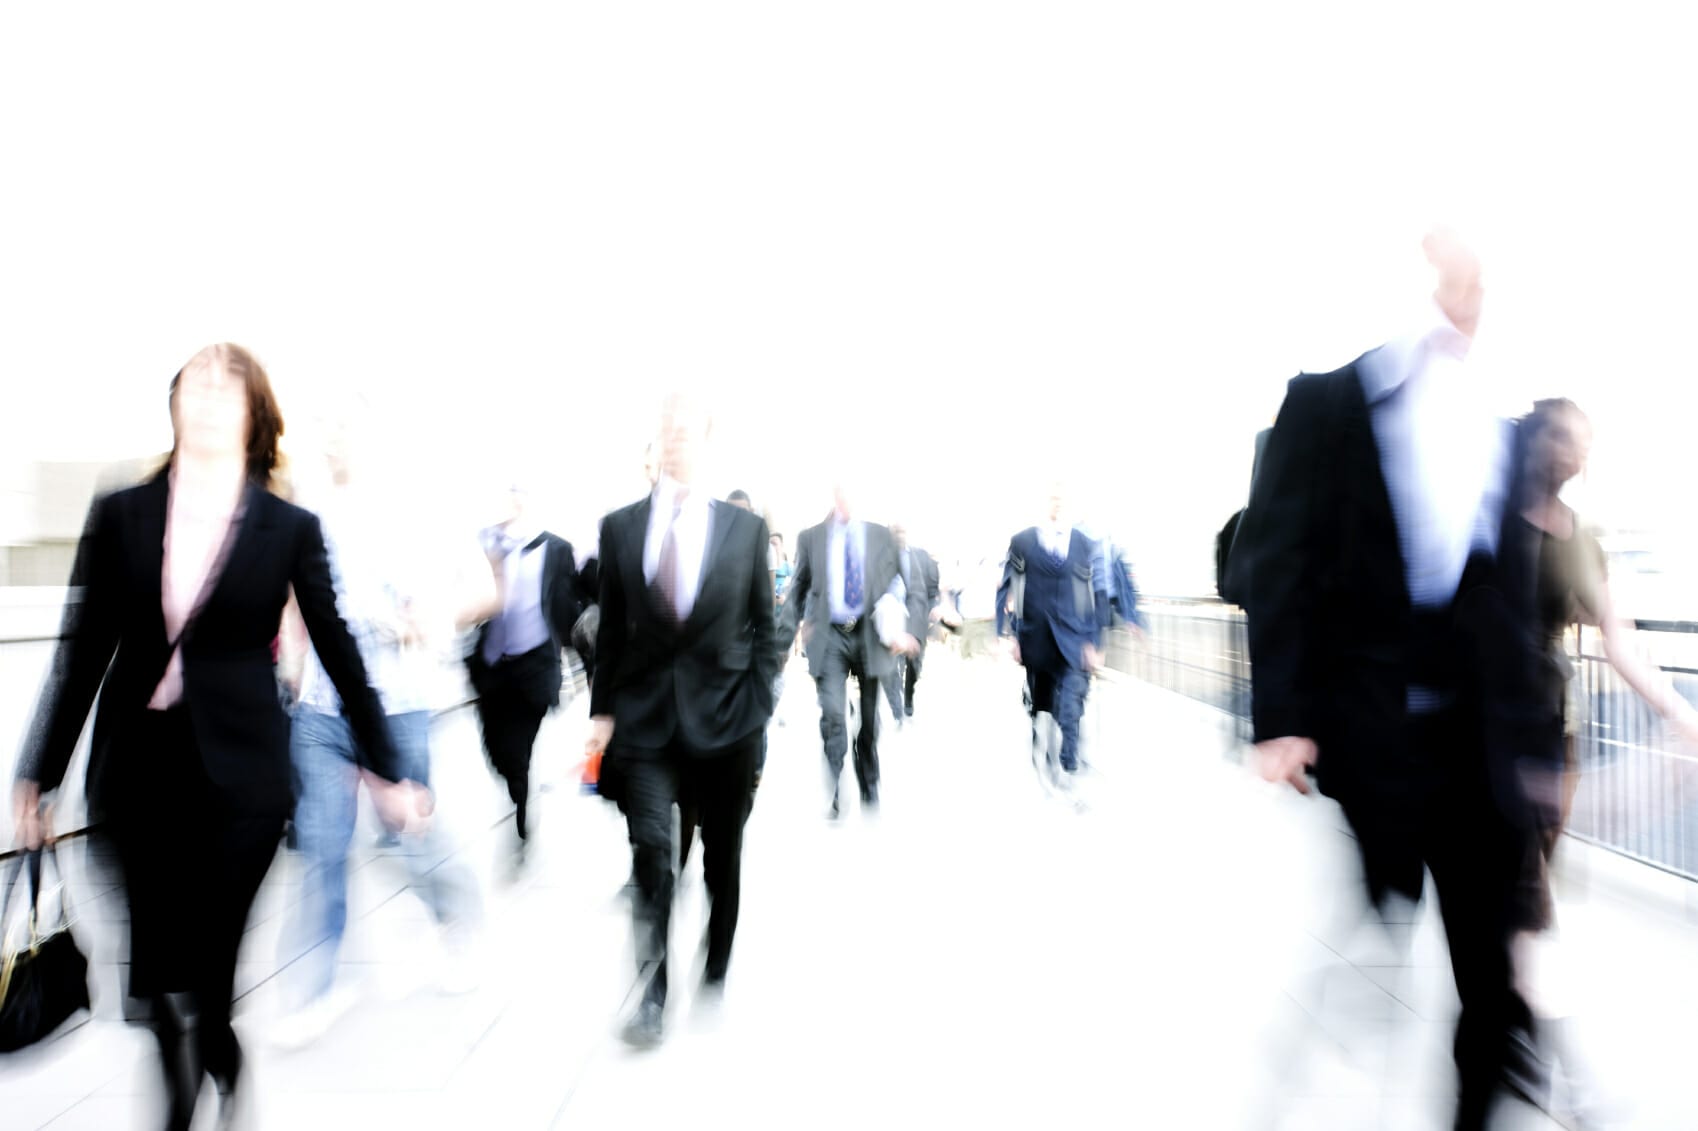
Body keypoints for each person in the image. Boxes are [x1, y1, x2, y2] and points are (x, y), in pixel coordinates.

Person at [12, 344, 422, 1131]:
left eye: (222, 387)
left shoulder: (287, 526)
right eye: (191, 384)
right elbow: (82, 645)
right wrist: (39, 773)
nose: (202, 397)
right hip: (136, 774)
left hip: (243, 782)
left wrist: (388, 768)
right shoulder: (122, 510)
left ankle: (187, 1091)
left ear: (254, 414)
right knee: (163, 972)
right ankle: (214, 1055)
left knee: (209, 965)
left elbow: (338, 646)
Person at [1234, 229, 1546, 1130]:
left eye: (1483, 275)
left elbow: (1510, 598)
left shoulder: (1499, 422)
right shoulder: (1329, 403)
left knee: (1490, 976)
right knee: (1378, 924)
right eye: (1457, 271)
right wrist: (1283, 715)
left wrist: (1533, 747)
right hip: (1374, 734)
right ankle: (1318, 1038)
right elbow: (1275, 560)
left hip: (1480, 746)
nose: (1472, 293)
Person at [271, 398, 493, 1047]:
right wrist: (291, 655)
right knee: (322, 842)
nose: (331, 436)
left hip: (399, 702)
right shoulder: (309, 512)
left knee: (409, 832)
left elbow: (482, 589)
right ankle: (317, 985)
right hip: (322, 707)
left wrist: (439, 614)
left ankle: (457, 918)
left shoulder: (421, 508)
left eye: (343, 423)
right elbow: (293, 593)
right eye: (325, 423)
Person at [1499, 397, 1698, 1116]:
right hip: (1489, 737)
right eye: (1558, 435)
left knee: (1523, 904)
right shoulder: (1488, 522)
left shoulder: (1584, 539)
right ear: (1531, 440)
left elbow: (1619, 635)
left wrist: (1679, 713)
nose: (1569, 451)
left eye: (1581, 442)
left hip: (1556, 735)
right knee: (1526, 904)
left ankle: (1515, 1040)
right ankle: (1566, 1068)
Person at [586, 393, 779, 1049]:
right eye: (667, 430)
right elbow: (610, 632)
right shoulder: (619, 529)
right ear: (657, 441)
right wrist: (602, 716)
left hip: (727, 723)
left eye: (688, 431)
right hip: (644, 723)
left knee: (723, 856)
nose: (675, 440)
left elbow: (766, 626)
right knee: (652, 853)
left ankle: (718, 943)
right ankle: (652, 993)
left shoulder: (745, 530)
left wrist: (759, 701)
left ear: (707, 443)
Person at [779, 479, 923, 819]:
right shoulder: (811, 537)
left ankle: (867, 770)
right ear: (833, 492)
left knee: (870, 719)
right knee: (832, 713)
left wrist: (912, 631)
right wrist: (781, 641)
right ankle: (834, 778)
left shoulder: (880, 536)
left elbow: (910, 583)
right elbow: (798, 588)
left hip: (869, 634)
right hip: (830, 636)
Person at [465, 482, 585, 874]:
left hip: (533, 667)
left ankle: (520, 817)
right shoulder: (480, 545)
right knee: (495, 750)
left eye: (516, 491)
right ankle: (515, 784)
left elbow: (567, 606)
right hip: (492, 668)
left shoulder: (556, 549)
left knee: (518, 751)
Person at [997, 483, 1113, 792]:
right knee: (1043, 707)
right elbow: (1009, 588)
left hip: (1074, 640)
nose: (1058, 503)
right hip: (1035, 639)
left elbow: (1098, 595)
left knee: (1072, 703)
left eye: (1063, 498)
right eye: (1052, 497)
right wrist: (1010, 634)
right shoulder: (1022, 542)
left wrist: (1096, 642)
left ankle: (1068, 766)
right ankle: (1043, 743)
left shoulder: (1085, 545)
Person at [881, 523, 941, 727]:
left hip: (916, 618)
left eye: (902, 531)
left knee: (914, 664)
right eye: (895, 532)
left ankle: (908, 695)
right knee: (893, 664)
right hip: (891, 619)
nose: (899, 535)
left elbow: (931, 590)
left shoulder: (920, 557)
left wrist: (933, 614)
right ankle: (897, 704)